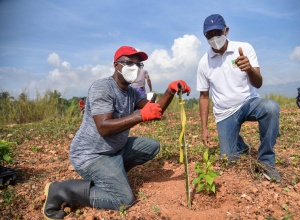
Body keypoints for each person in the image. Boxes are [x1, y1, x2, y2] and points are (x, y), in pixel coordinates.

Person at [42, 45, 191, 219]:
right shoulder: (102, 88)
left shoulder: (132, 93)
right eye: (129, 62)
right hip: (91, 155)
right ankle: (61, 190)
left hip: (115, 150)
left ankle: (112, 174)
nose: (134, 68)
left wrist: (170, 91)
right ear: (116, 65)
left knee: (152, 146)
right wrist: (139, 116)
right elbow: (104, 128)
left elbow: (155, 110)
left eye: (139, 64)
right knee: (123, 199)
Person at [196, 14, 281, 182]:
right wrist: (204, 128)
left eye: (217, 32)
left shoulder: (244, 48)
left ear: (226, 31)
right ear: (205, 36)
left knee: (271, 108)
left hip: (249, 103)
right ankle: (241, 146)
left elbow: (258, 83)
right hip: (225, 113)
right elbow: (204, 96)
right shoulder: (204, 63)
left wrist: (249, 69)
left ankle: (266, 162)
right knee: (229, 160)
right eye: (209, 34)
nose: (214, 37)